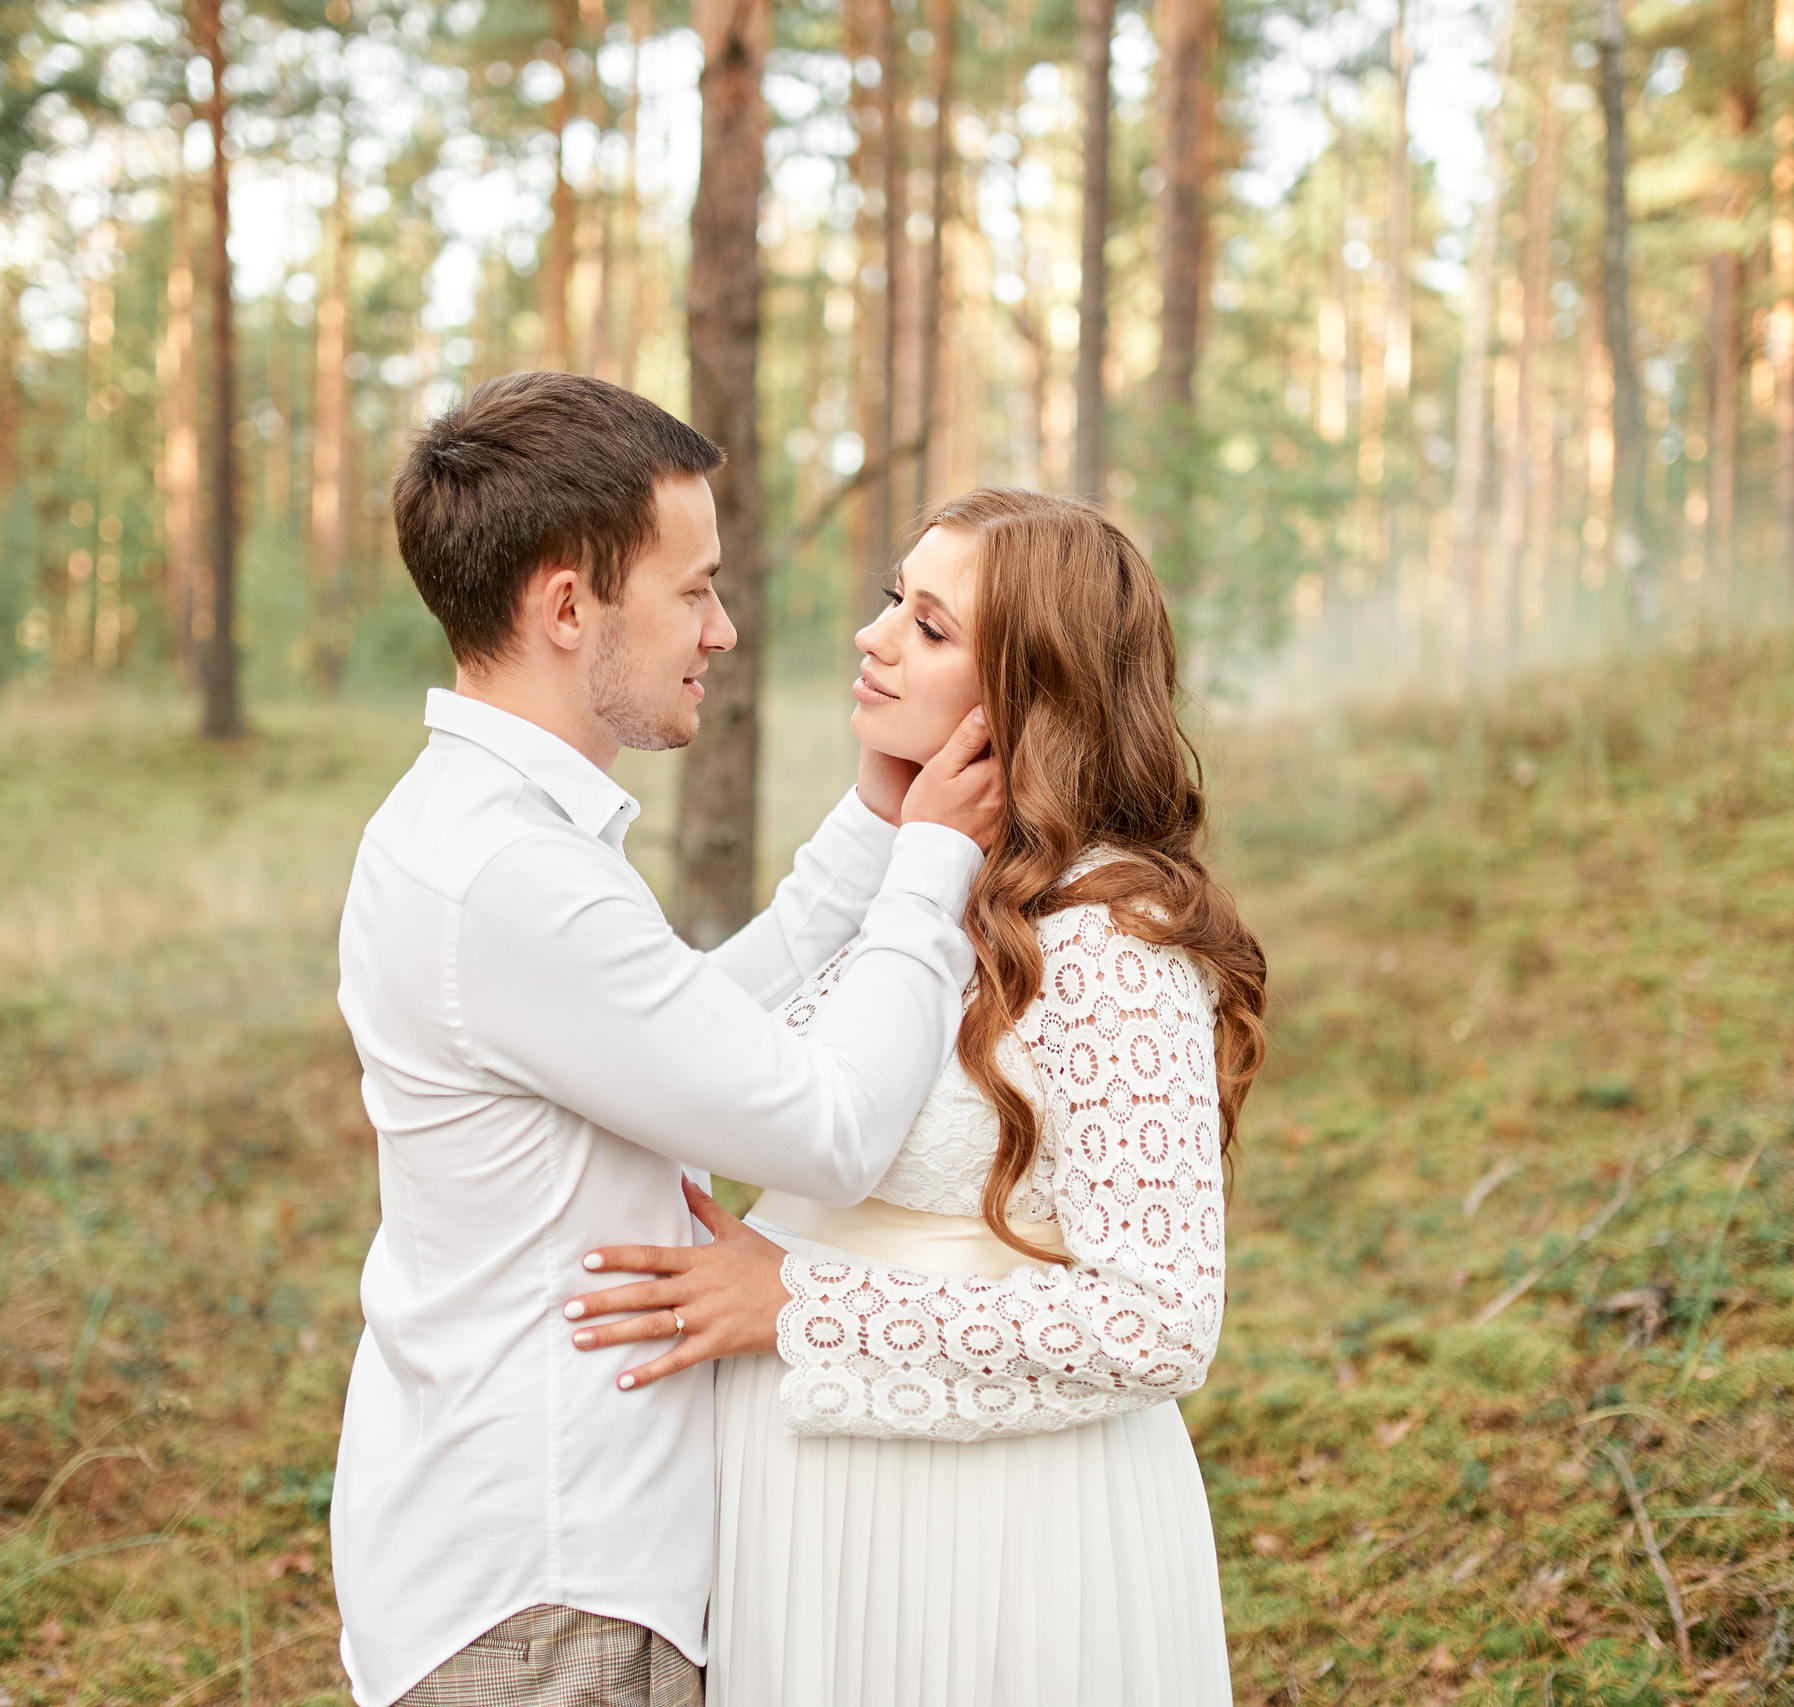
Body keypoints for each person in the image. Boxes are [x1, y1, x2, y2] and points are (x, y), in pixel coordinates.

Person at [329, 372, 1004, 1707]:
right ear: (567, 607)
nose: (723, 629)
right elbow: (827, 1128)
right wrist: (933, 872)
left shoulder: (474, 829)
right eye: (692, 590)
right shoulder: (512, 877)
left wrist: (872, 831)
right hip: (548, 1584)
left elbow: (675, 1027)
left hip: (509, 1539)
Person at [563, 488, 1268, 1707]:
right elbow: (711, 1053)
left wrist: (799, 1300)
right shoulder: (915, 882)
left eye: (930, 626)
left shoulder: (1114, 940)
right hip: (813, 1519)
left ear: (1035, 692)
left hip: (996, 1537)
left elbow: (1159, 1322)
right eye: (895, 599)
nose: (873, 635)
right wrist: (886, 833)